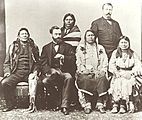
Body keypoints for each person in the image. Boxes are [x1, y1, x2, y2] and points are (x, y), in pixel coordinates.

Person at [2, 28, 40, 112]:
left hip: (29, 72)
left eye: (26, 34)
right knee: (5, 83)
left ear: (28, 36)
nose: (25, 35)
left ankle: (35, 104)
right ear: (18, 36)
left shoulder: (33, 47)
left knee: (39, 83)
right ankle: (10, 105)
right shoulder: (12, 47)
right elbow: (6, 62)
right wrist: (7, 72)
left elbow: (38, 62)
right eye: (22, 34)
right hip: (16, 72)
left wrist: (35, 72)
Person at [40, 26, 76, 115]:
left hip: (64, 71)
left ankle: (64, 106)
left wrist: (63, 57)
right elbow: (43, 63)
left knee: (69, 78)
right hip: (52, 71)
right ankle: (57, 101)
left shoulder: (68, 46)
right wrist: (50, 71)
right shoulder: (46, 48)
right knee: (45, 81)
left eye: (60, 34)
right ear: (51, 35)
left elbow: (73, 59)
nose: (58, 36)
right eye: (56, 34)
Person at [75, 29, 109, 114]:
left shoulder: (100, 47)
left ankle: (100, 103)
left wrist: (101, 70)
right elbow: (78, 61)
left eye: (92, 35)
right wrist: (84, 70)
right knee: (85, 79)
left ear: (95, 37)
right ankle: (87, 103)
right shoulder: (81, 47)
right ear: (85, 37)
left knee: (102, 78)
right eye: (88, 35)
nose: (91, 37)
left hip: (98, 70)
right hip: (86, 71)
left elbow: (104, 61)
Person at [108, 36, 142, 114]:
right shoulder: (115, 53)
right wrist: (116, 72)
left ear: (129, 44)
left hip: (129, 74)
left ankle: (124, 104)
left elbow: (138, 66)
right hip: (119, 73)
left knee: (127, 83)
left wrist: (131, 73)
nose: (124, 45)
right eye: (122, 42)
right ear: (119, 44)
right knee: (117, 82)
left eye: (126, 43)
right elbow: (111, 65)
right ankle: (116, 104)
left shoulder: (133, 53)